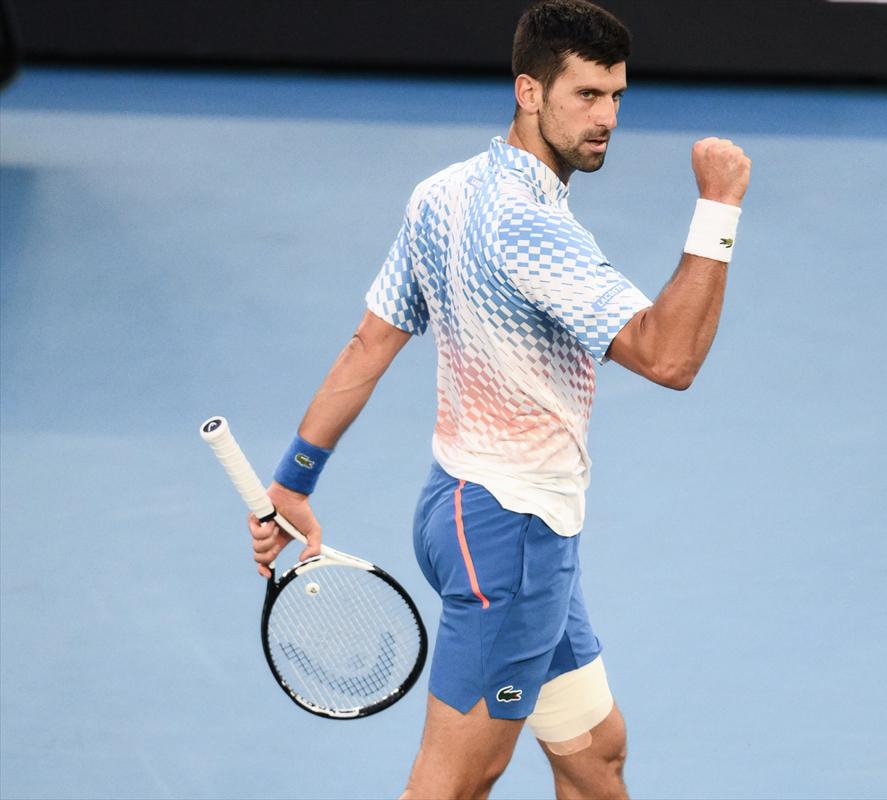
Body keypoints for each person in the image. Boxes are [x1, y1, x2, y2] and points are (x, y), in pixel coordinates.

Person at [246, 1, 751, 796]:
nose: (607, 118)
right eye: (586, 95)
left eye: (616, 96)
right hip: (508, 543)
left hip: (462, 512)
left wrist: (293, 481)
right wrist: (718, 210)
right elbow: (670, 356)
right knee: (455, 782)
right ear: (529, 91)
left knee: (594, 753)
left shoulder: (442, 195)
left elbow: (368, 344)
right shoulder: (531, 231)